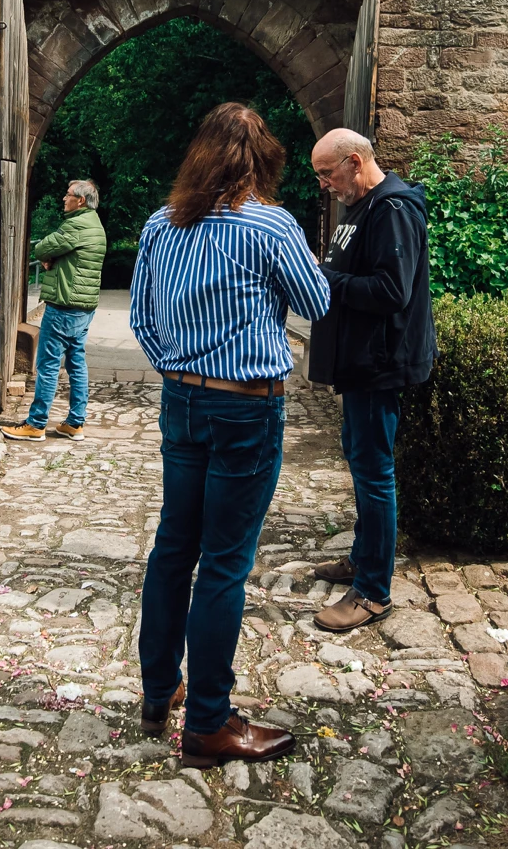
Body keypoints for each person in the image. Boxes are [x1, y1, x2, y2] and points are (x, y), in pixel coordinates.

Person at [130, 102, 329, 766]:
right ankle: (209, 723)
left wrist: (183, 372)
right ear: (262, 161)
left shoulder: (161, 225)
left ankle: (160, 691)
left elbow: (141, 318)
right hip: (245, 408)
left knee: (172, 547)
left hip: (182, 402)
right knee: (222, 563)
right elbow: (316, 302)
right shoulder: (271, 226)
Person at [305, 128, 436, 632]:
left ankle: (374, 591)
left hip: (382, 364)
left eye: (327, 173)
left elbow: (390, 290)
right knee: (360, 462)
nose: (324, 184)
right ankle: (362, 560)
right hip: (361, 363)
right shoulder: (361, 207)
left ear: (355, 162)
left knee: (375, 472)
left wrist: (326, 280)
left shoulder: (394, 209)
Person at [1, 178, 107, 442]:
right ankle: (75, 423)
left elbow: (41, 247)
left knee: (48, 366)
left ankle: (36, 425)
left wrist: (50, 257)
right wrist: (56, 260)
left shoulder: (76, 225)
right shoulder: (95, 225)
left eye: (68, 194)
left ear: (80, 200)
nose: (64, 198)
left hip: (63, 307)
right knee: (76, 364)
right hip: (83, 307)